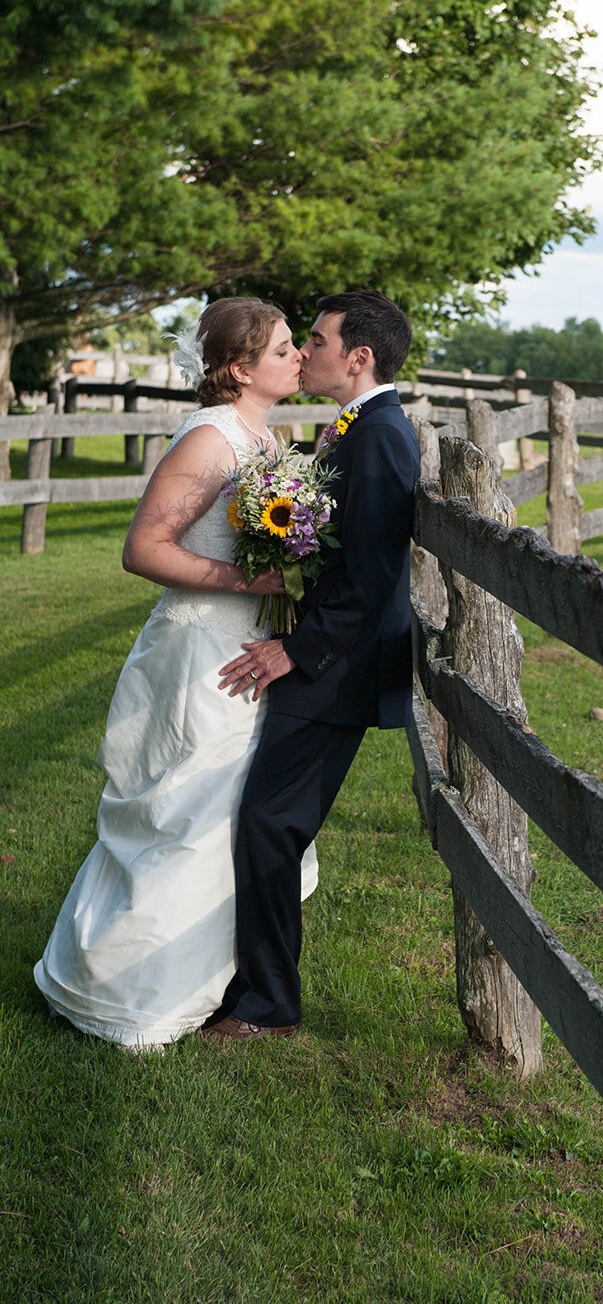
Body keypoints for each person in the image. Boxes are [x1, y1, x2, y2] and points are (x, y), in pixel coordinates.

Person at [34, 298, 319, 1048]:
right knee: (185, 811)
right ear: (237, 369)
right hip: (203, 651)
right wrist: (247, 583)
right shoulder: (210, 438)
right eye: (285, 348)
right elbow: (144, 549)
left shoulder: (264, 434)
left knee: (228, 814)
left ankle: (209, 978)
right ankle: (129, 993)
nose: (298, 356)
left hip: (249, 647)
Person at [202, 289, 420, 1043]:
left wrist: (296, 650)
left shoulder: (382, 436)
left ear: (358, 357)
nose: (307, 352)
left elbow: (375, 570)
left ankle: (266, 1004)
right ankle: (252, 987)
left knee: (270, 820)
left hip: (339, 667)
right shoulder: (355, 430)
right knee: (267, 817)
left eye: (318, 340)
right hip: (329, 656)